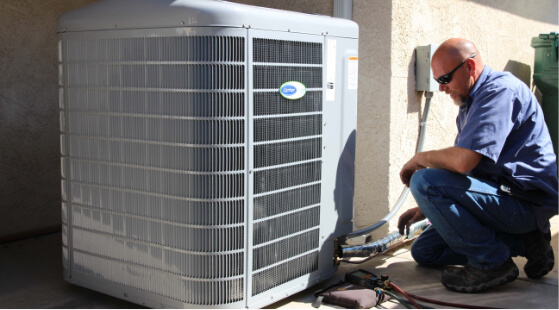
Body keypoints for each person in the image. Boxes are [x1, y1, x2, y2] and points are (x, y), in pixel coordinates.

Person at [397, 38, 558, 293]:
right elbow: (470, 171)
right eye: (438, 80)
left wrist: (419, 160)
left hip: (524, 203)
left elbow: (462, 162)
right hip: (502, 196)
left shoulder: (499, 92)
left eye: (444, 79)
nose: (441, 88)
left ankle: (491, 263)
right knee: (426, 251)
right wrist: (427, 208)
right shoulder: (471, 100)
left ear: (470, 66)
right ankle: (526, 243)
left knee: (423, 180)